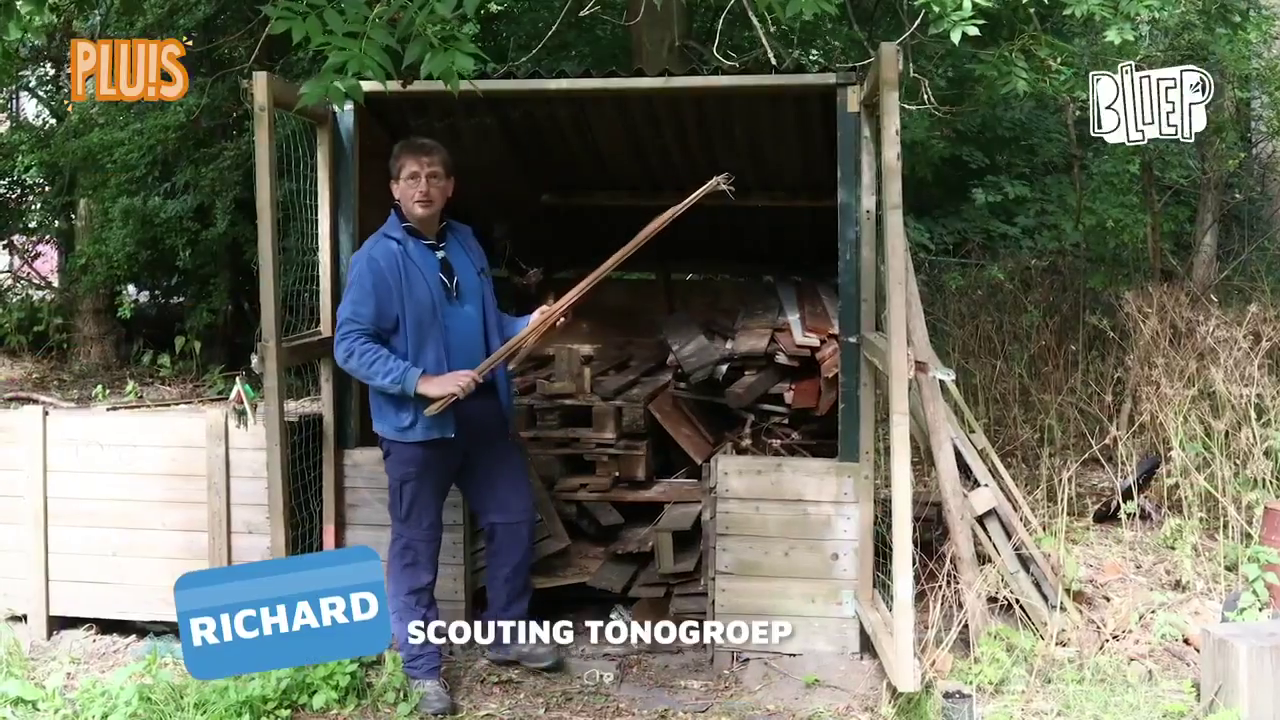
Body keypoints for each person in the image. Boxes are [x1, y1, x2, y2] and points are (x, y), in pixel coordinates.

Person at [333, 137, 564, 716]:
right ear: (394, 189)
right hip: (418, 427)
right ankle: (421, 668)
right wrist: (422, 381)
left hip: (482, 416)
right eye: (412, 177)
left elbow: (488, 325)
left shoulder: (464, 242)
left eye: (434, 176)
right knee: (417, 546)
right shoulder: (376, 259)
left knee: (513, 520)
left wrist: (528, 325)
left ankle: (507, 635)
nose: (424, 186)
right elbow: (350, 344)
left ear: (450, 186)